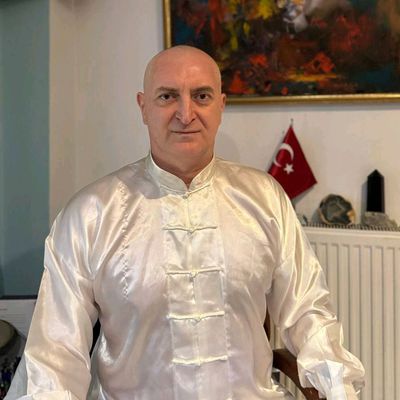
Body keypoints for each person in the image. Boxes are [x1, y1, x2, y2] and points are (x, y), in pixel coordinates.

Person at [7, 45, 364, 400]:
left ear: (221, 106)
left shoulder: (265, 200)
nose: (186, 113)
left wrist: (339, 389)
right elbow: (55, 354)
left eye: (201, 96)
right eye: (167, 96)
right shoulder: (90, 214)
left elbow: (307, 312)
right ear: (143, 107)